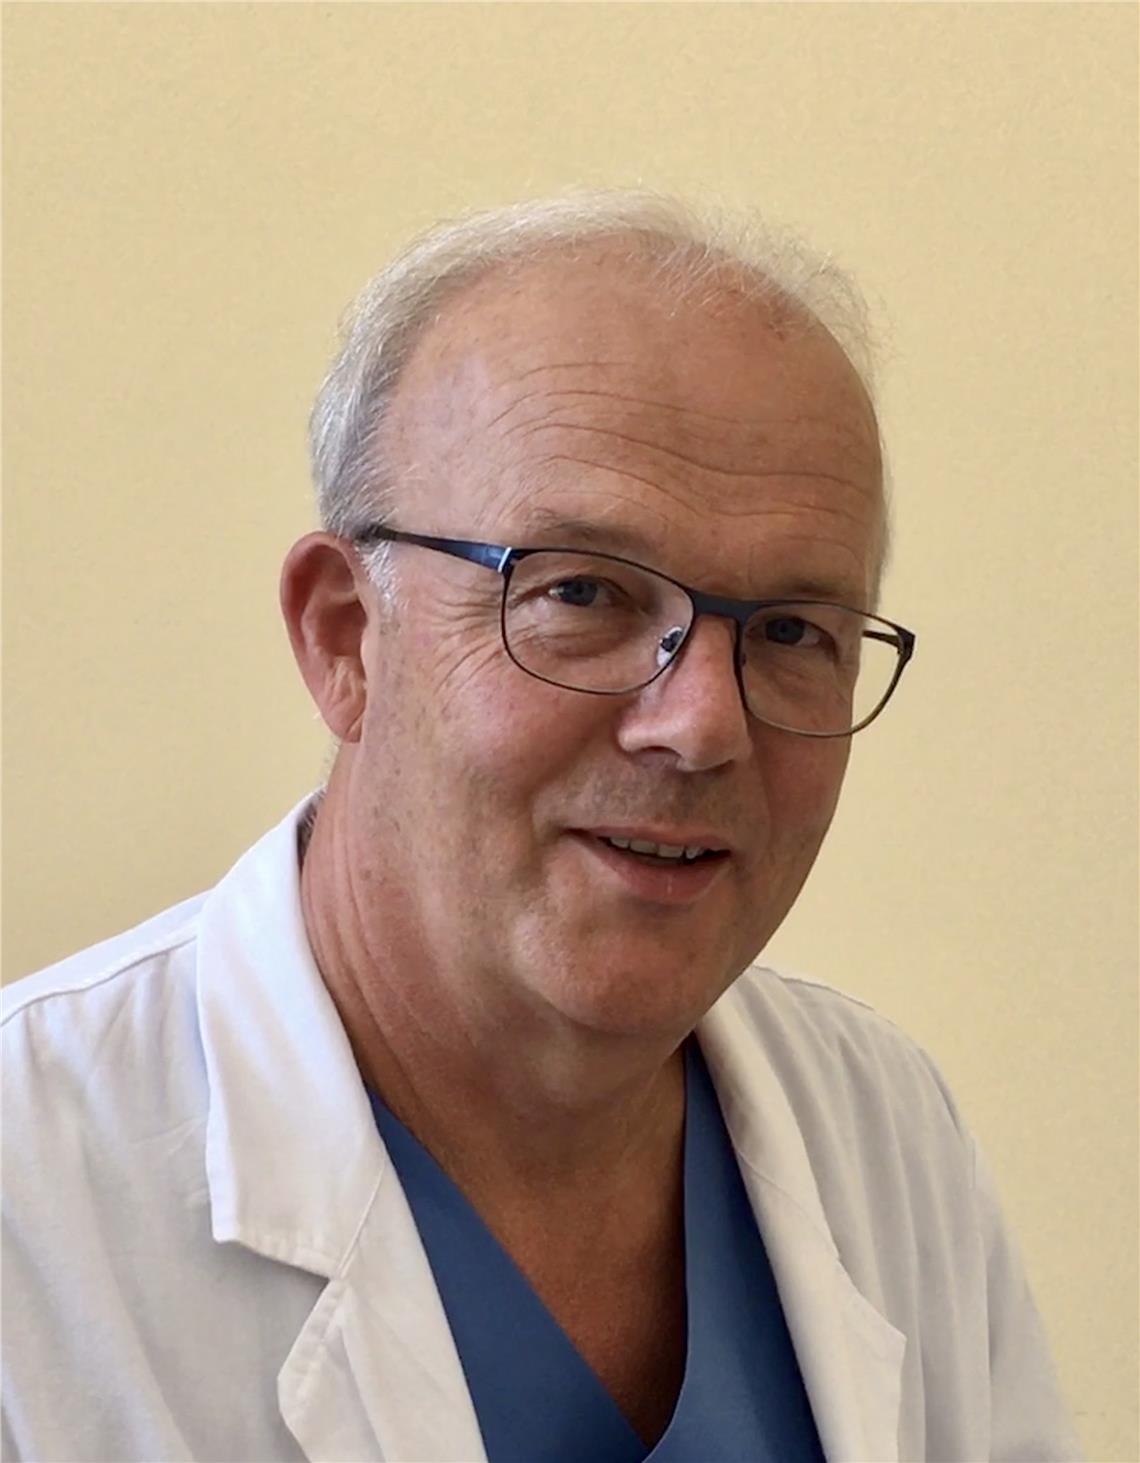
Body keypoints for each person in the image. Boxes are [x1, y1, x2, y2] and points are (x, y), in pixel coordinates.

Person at [2, 191, 1080, 1463]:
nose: (701, 724)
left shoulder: (883, 1131)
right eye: (581, 592)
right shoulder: (34, 1192)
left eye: (794, 629)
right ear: (346, 637)